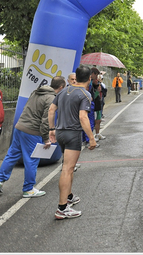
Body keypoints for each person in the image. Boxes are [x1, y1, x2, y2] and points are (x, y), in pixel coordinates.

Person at [0, 76, 66, 197]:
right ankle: (28, 189)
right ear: (61, 87)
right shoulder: (52, 99)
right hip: (32, 131)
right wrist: (46, 139)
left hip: (20, 126)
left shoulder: (36, 91)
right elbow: (45, 121)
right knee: (32, 160)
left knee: (12, 154)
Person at [48, 65, 98, 219]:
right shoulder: (85, 93)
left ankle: (68, 196)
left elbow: (51, 109)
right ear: (89, 78)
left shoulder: (63, 90)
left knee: (67, 167)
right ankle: (62, 208)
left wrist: (51, 129)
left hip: (61, 133)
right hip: (72, 134)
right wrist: (91, 137)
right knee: (67, 169)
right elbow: (83, 117)